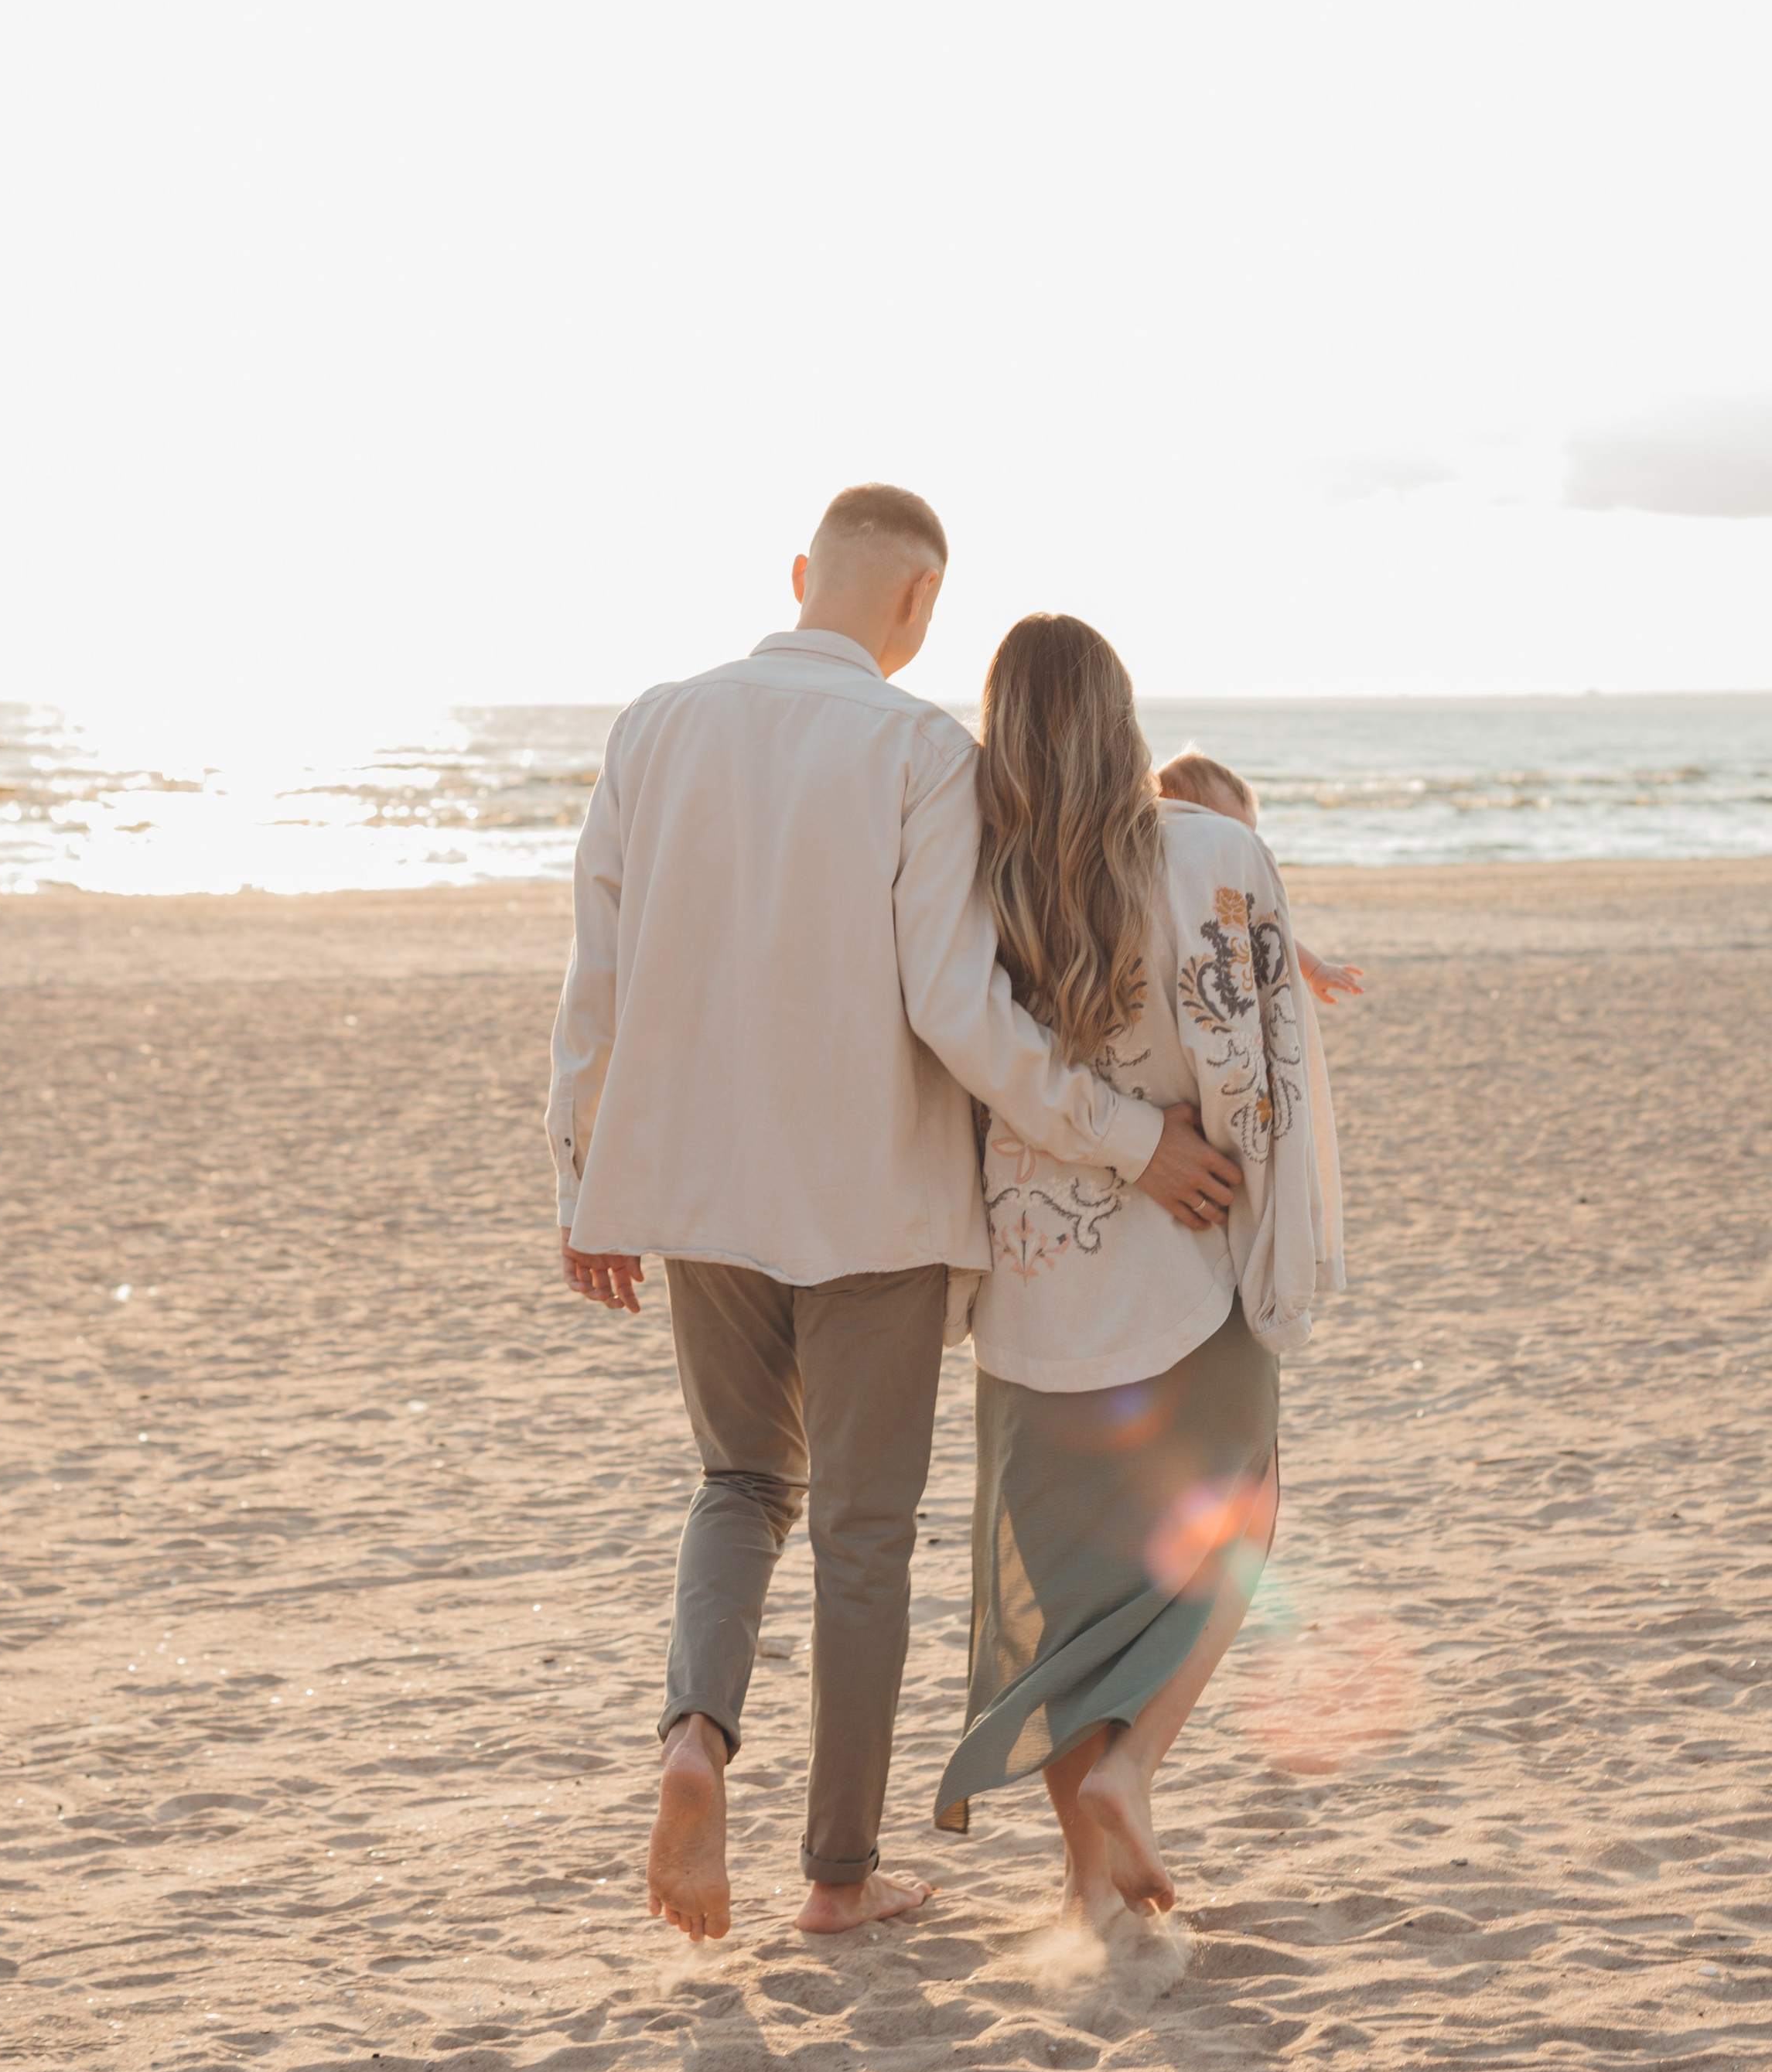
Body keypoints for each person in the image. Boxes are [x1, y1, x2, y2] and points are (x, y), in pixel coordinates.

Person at [548, 489, 1244, 1945]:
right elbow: (955, 1009)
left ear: (804, 576)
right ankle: (839, 1876)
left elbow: (594, 979)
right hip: (874, 1205)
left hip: (694, 1195)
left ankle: (694, 1740)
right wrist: (1128, 1137)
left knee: (740, 1486)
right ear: (922, 606)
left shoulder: (653, 725)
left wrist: (583, 1178)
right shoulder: (924, 751)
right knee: (863, 1536)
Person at [934, 618, 1343, 1922]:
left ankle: (1084, 1893)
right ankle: (1137, 1766)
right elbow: (1268, 1082)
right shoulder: (1215, 853)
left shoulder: (971, 875)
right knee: (1243, 1516)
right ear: (1123, 718)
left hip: (1035, 1281)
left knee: (1068, 1592)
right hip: (1191, 1257)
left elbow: (969, 1054)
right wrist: (1260, 1225)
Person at [1154, 748, 1364, 1007]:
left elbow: (1270, 932)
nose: (1243, 851)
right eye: (1233, 834)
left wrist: (1315, 970)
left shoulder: (1226, 891)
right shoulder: (1160, 876)